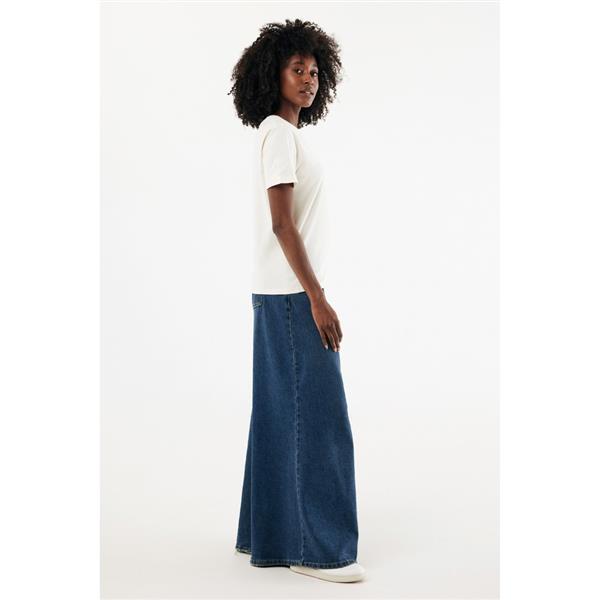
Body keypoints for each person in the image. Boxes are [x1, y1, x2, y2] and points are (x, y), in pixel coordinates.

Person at [228, 18, 365, 584]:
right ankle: (315, 549)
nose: (308, 78)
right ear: (273, 75)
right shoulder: (279, 134)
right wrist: (318, 298)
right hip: (292, 298)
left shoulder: (281, 134)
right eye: (296, 69)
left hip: (276, 295)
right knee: (319, 421)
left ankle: (262, 534)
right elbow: (282, 224)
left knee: (279, 414)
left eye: (313, 70)